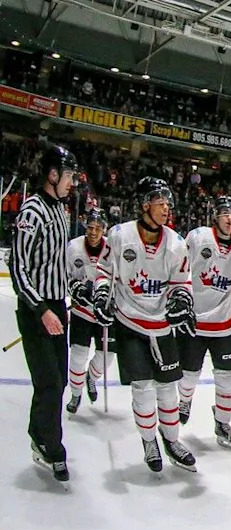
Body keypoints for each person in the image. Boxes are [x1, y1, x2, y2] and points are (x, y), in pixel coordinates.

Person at [92, 177, 198, 474]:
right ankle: (149, 441)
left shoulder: (176, 243)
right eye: (159, 203)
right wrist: (101, 294)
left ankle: (172, 439)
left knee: (168, 389)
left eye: (167, 204)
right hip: (130, 324)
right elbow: (103, 272)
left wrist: (181, 299)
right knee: (142, 388)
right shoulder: (119, 235)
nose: (165, 209)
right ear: (144, 205)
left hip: (161, 326)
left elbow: (181, 283)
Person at [11, 144, 77, 484]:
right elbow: (18, 267)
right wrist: (41, 310)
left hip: (57, 306)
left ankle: (38, 434)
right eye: (68, 175)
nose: (72, 183)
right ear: (52, 174)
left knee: (59, 380)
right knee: (49, 381)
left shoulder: (62, 211)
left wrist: (69, 294)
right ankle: (52, 446)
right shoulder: (32, 211)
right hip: (36, 310)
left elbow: (56, 262)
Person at [176, 196, 231, 450]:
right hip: (194, 321)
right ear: (215, 216)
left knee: (227, 376)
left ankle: (223, 423)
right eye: (224, 213)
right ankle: (184, 400)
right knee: (189, 375)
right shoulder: (198, 237)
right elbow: (181, 271)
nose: (229, 218)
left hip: (223, 322)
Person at [65, 208, 115, 415]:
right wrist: (75, 288)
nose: (93, 232)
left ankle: (91, 378)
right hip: (82, 312)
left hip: (104, 313)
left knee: (107, 357)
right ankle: (76, 393)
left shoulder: (112, 248)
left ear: (104, 230)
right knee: (78, 355)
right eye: (90, 228)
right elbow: (65, 277)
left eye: (98, 228)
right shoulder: (73, 247)